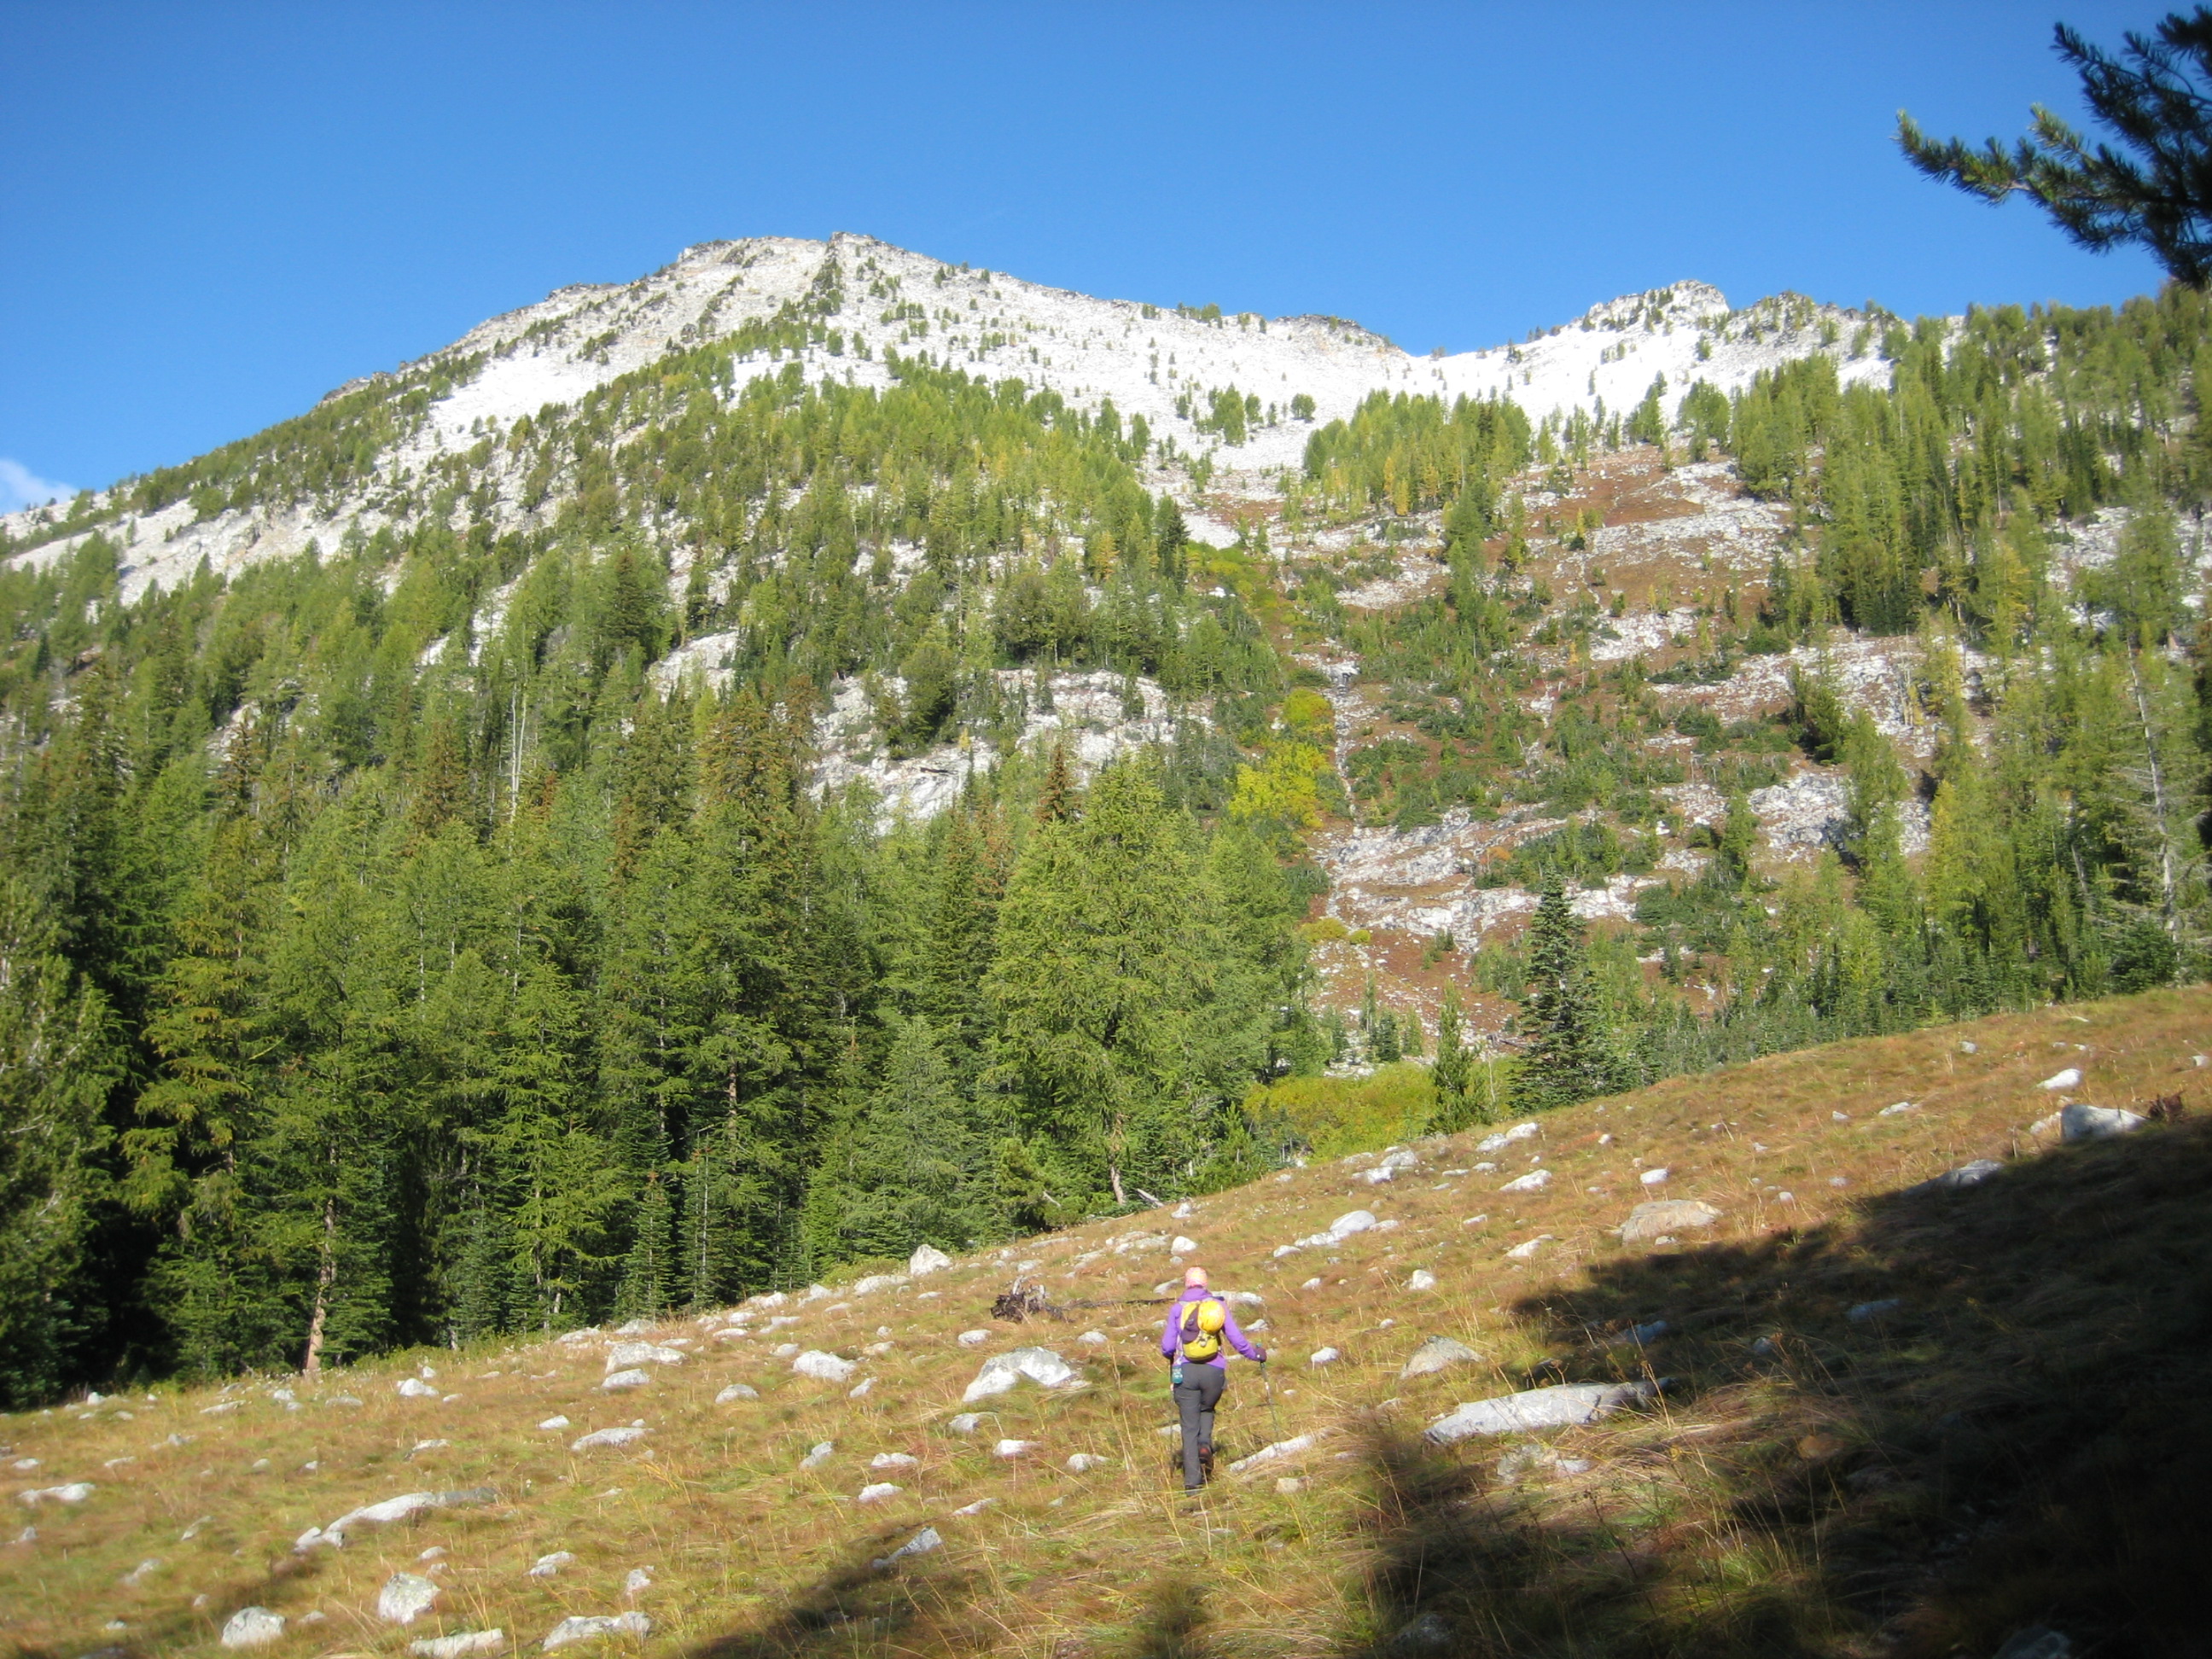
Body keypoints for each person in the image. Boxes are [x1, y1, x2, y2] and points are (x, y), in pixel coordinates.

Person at [1158, 1266, 1266, 1493]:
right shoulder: (1218, 1306)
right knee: (1207, 1409)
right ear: (1205, 1284)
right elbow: (1236, 1339)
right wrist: (1256, 1355)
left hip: (1185, 1373)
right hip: (1213, 1371)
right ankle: (1205, 1445)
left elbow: (1167, 1347)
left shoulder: (1177, 1309)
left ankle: (1192, 1483)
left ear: (1186, 1284)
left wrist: (1173, 1356)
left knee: (1189, 1426)